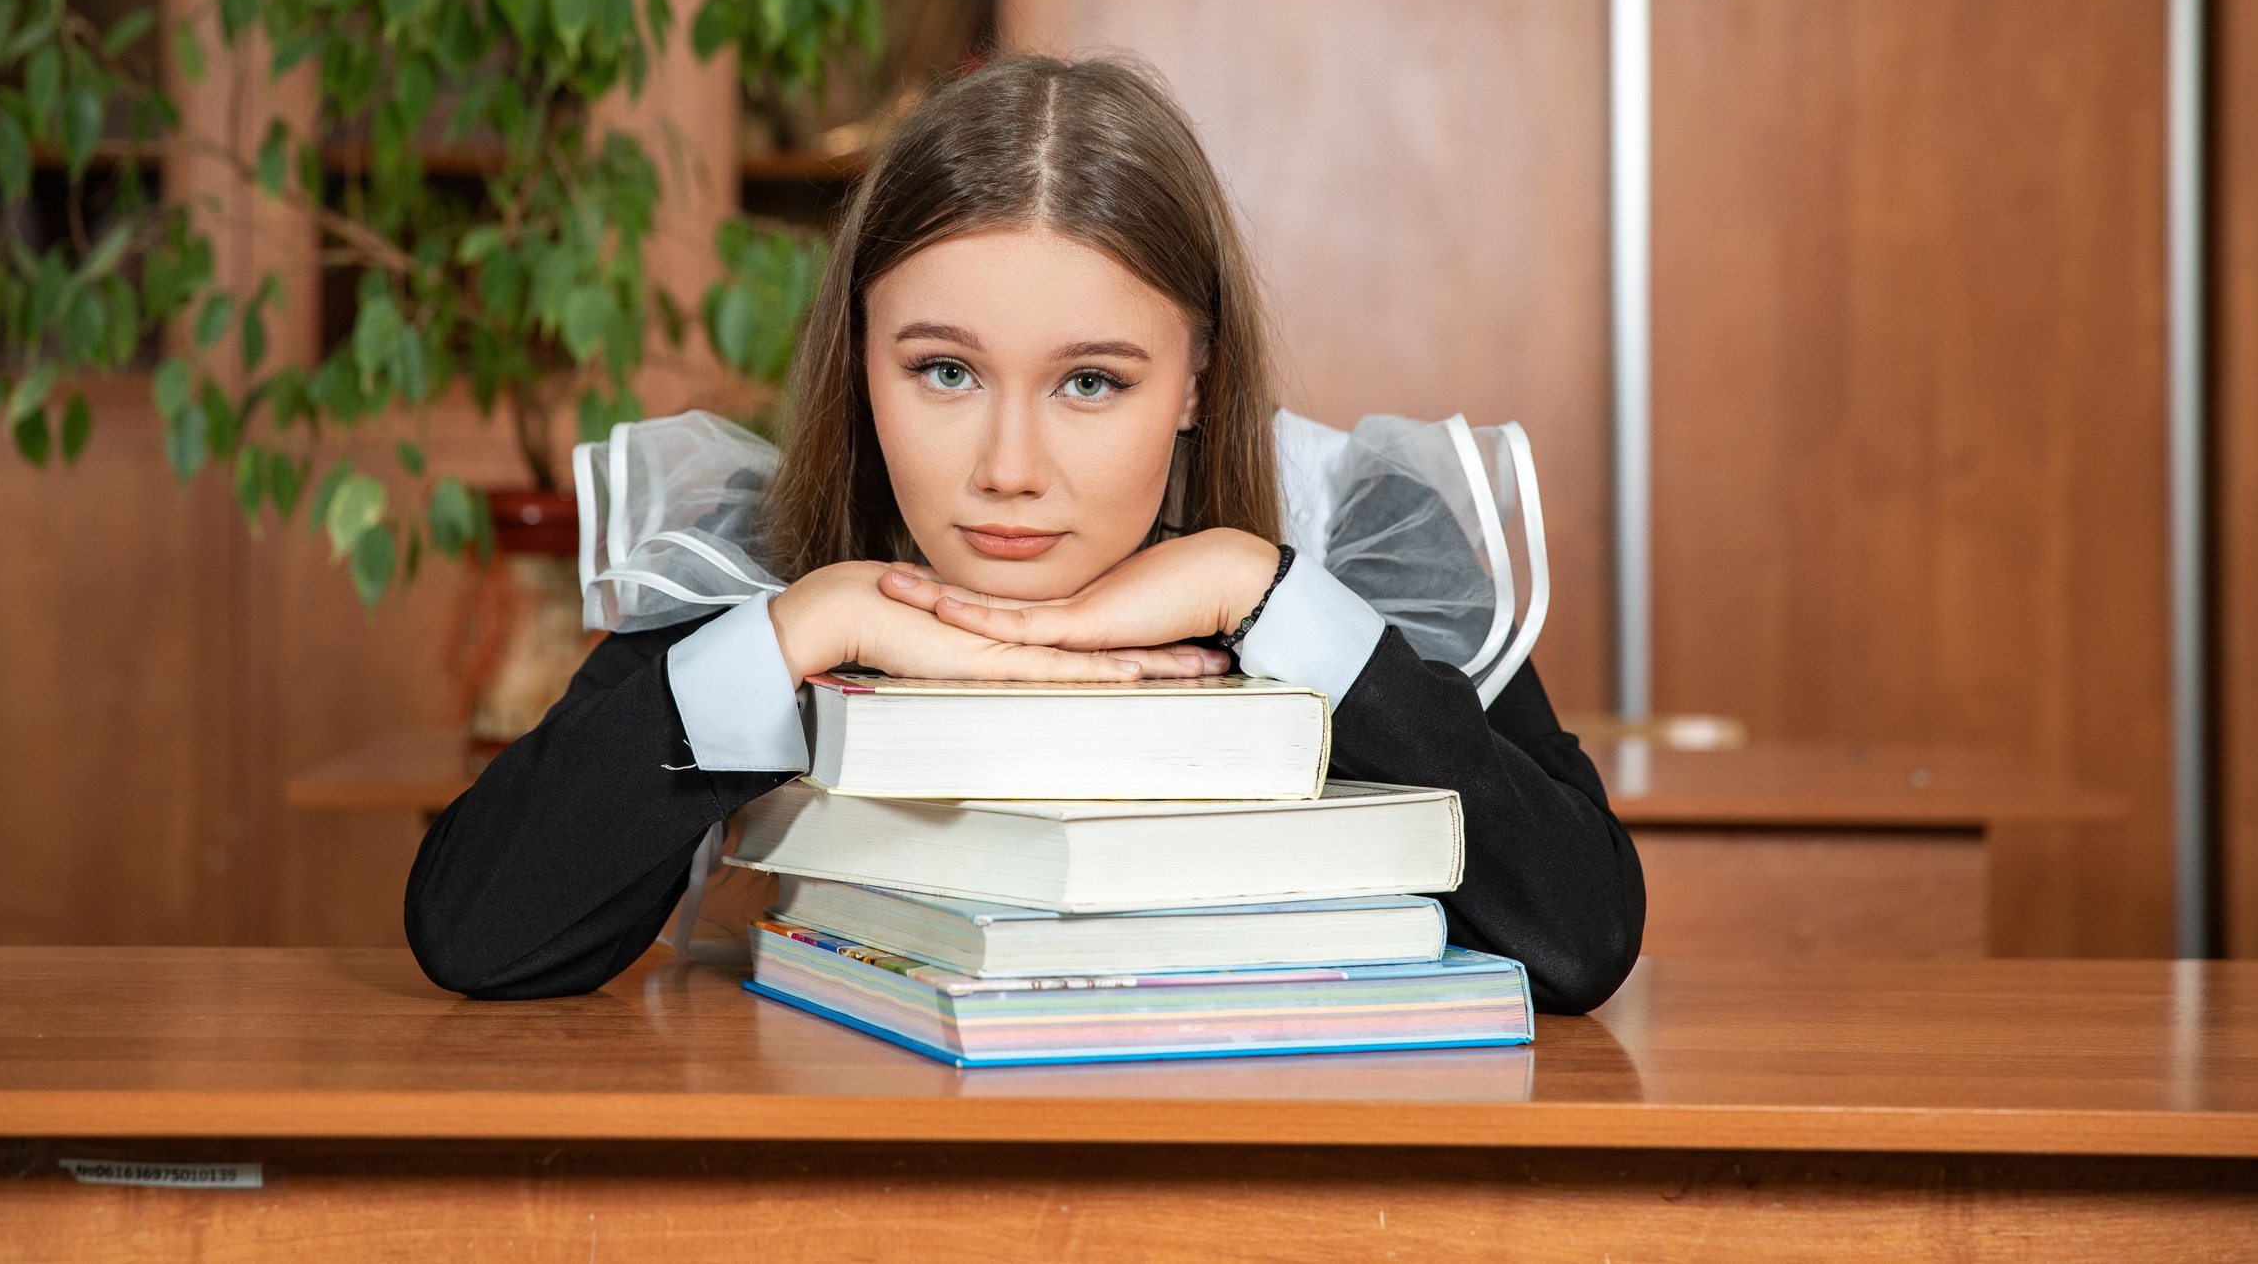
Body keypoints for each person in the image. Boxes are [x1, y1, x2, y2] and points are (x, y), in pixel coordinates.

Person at [405, 55, 1645, 1012]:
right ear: (859, 357)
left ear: (1201, 379)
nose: (1008, 472)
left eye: (1092, 384)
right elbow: (479, 933)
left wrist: (1261, 595)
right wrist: (812, 627)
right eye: (943, 372)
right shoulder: (762, 548)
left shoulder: (1350, 524)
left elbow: (1579, 936)